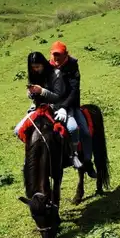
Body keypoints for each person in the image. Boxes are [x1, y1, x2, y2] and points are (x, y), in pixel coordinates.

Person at [49, 41, 96, 177]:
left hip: (70, 105)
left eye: (59, 55)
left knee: (85, 132)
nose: (56, 58)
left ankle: (87, 161)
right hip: (52, 106)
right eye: (54, 55)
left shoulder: (72, 66)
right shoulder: (48, 66)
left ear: (66, 54)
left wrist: (64, 107)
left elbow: (74, 90)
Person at [14, 51, 65, 137]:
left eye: (37, 67)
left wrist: (42, 91)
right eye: (33, 67)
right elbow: (31, 96)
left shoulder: (56, 74)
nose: (35, 69)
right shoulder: (34, 74)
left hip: (54, 109)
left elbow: (58, 97)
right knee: (17, 131)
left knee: (66, 131)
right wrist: (31, 93)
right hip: (37, 109)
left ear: (43, 64)